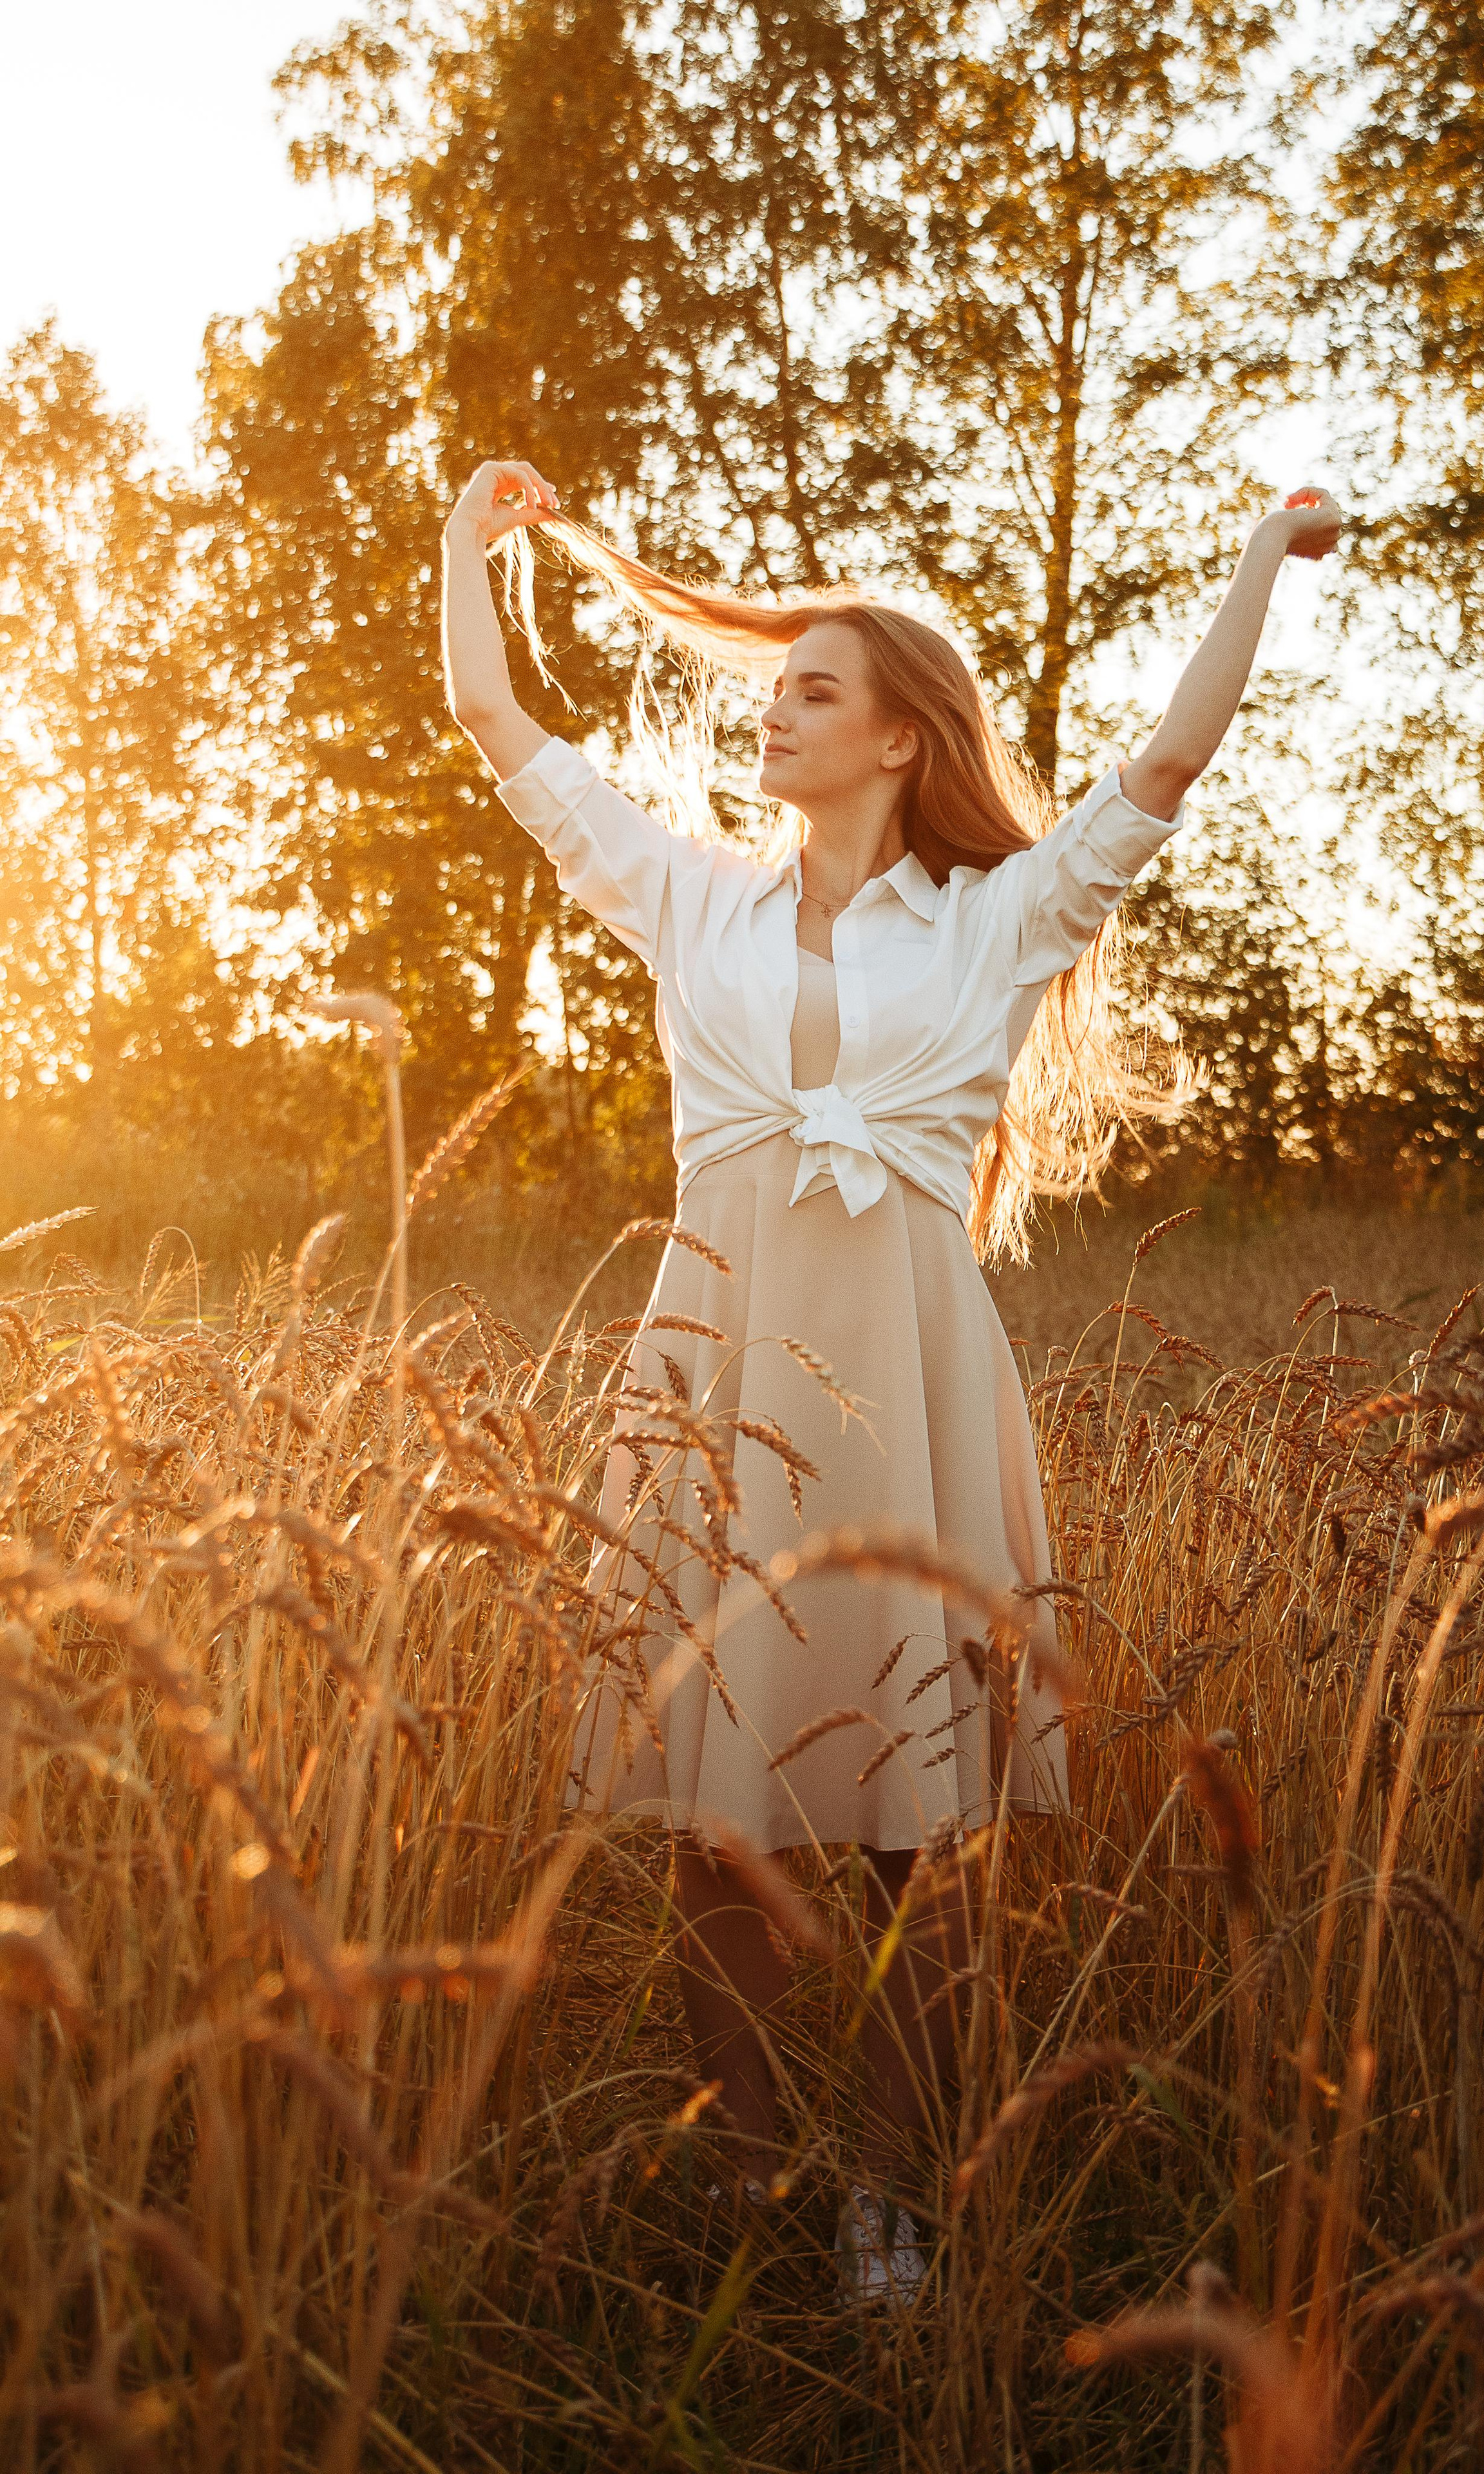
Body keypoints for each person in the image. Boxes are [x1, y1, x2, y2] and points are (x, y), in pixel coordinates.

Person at [440, 464, 1342, 2302]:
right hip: (716, 1365)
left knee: (923, 1835)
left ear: (901, 739)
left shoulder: (993, 923)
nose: (773, 708)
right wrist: (471, 550)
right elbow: (495, 720)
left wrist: (1258, 553)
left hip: (911, 1382)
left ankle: (890, 2204)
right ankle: (756, 2195)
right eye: (778, 685)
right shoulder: (692, 902)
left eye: (815, 690)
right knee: (720, 1820)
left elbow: (1164, 767)